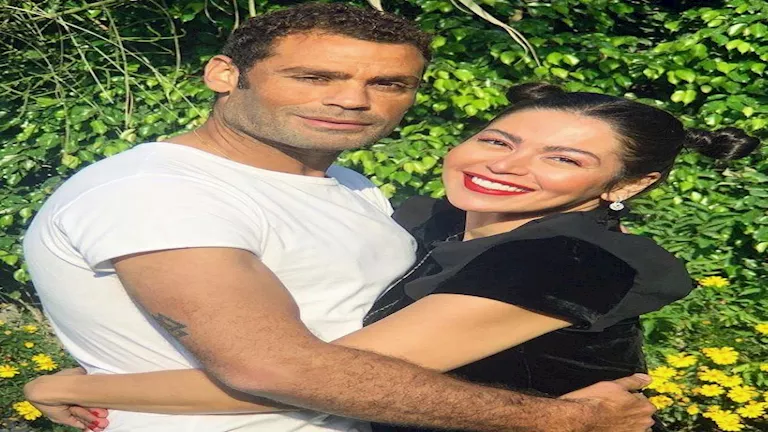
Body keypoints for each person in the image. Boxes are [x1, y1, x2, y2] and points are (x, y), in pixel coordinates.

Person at [21, 3, 658, 432]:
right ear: (224, 74)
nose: (352, 100)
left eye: (389, 84)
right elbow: (272, 367)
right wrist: (562, 421)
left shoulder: (346, 184)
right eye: (314, 76)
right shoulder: (159, 194)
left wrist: (75, 386)